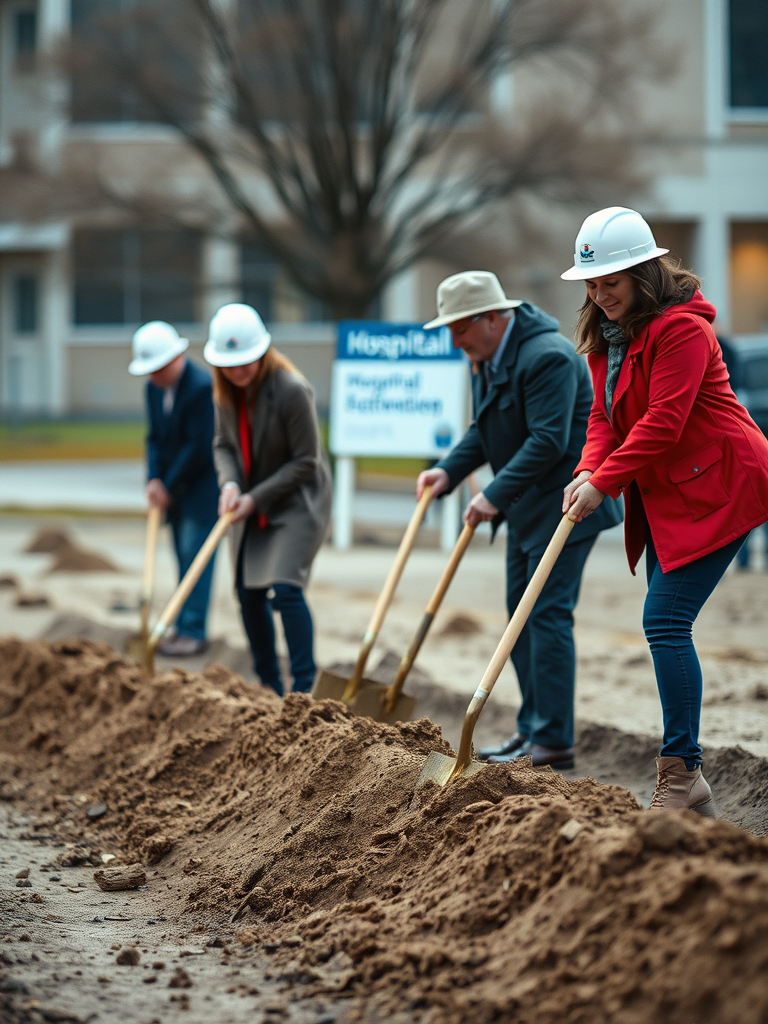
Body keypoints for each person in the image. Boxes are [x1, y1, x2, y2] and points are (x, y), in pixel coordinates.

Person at [560, 206, 768, 813]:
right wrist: (584, 472)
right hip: (667, 493)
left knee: (664, 619)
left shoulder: (683, 330)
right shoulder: (608, 339)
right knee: (666, 622)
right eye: (591, 286)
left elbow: (664, 423)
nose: (600, 297)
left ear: (644, 274)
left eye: (611, 284)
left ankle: (681, 776)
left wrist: (604, 482)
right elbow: (604, 419)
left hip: (723, 481)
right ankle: (688, 783)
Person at [418, 271, 622, 769]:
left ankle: (552, 741)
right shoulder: (485, 356)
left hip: (568, 507)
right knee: (520, 617)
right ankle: (532, 730)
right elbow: (484, 429)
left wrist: (492, 493)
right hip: (527, 510)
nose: (454, 340)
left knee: (546, 616)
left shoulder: (545, 356)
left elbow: (549, 440)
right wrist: (447, 471)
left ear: (491, 318)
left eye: (459, 329)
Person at [205, 303, 332, 696]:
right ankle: (268, 684)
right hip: (248, 500)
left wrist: (254, 498)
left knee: (286, 588)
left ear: (263, 352)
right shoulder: (225, 394)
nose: (239, 370)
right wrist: (229, 485)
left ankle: (304, 689)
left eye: (247, 360)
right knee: (247, 592)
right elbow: (223, 445)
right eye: (230, 363)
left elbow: (306, 460)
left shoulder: (293, 391)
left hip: (296, 500)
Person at [128, 321, 220, 656]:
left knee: (196, 560)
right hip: (172, 491)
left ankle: (193, 632)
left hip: (200, 492)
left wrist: (168, 484)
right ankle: (180, 626)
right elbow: (155, 438)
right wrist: (153, 480)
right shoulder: (153, 389)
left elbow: (198, 447)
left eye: (157, 369)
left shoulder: (201, 388)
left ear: (174, 359)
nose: (152, 376)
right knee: (181, 559)